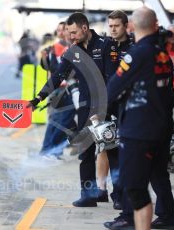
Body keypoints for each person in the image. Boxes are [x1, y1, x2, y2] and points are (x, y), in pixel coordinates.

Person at [107, 7, 174, 230]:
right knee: (158, 176)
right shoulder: (163, 54)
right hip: (162, 127)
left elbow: (112, 89)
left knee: (134, 187)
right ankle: (168, 219)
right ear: (155, 25)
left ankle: (133, 221)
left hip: (139, 130)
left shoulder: (137, 54)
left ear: (131, 26)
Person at [28, 12, 108, 207]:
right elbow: (57, 76)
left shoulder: (106, 46)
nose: (70, 37)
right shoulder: (73, 51)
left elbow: (115, 78)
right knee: (85, 153)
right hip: (85, 109)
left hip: (107, 107)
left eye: (73, 32)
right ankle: (88, 196)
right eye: (68, 33)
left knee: (112, 153)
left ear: (84, 28)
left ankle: (120, 198)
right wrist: (38, 97)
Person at [96, 10, 134, 214]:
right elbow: (98, 75)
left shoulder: (134, 47)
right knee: (107, 149)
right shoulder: (105, 46)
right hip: (107, 106)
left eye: (116, 26)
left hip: (128, 107)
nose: (112, 29)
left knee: (124, 152)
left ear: (126, 26)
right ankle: (109, 192)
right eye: (110, 25)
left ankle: (121, 194)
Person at [38, 22, 76, 159]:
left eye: (64, 29)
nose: (61, 32)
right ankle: (49, 150)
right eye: (59, 30)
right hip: (58, 90)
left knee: (64, 121)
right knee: (58, 120)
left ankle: (53, 150)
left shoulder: (72, 46)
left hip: (70, 89)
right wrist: (44, 57)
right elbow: (50, 68)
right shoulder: (53, 48)